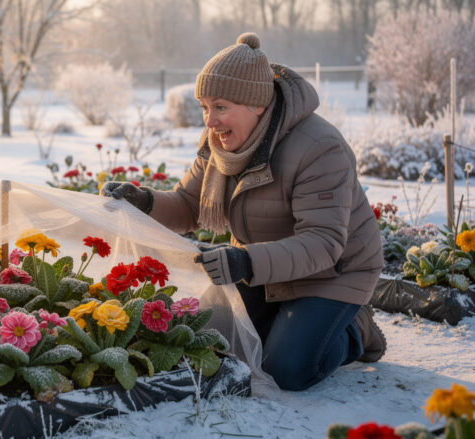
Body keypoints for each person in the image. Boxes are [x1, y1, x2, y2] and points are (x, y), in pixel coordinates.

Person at [101, 32, 385, 391]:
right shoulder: (220, 144)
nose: (209, 121)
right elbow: (190, 205)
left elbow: (324, 243)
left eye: (220, 107)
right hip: (263, 268)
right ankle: (289, 323)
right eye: (205, 107)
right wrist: (143, 200)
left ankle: (355, 327)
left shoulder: (319, 147)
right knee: (208, 341)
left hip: (332, 273)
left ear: (257, 105)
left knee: (286, 369)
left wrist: (245, 262)